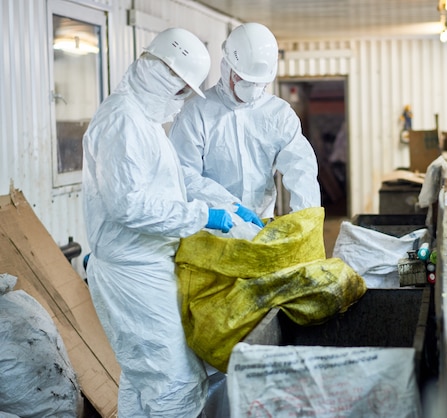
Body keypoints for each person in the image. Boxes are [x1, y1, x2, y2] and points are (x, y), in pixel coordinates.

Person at [82, 28, 233, 417]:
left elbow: (171, 180)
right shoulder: (122, 121)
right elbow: (129, 205)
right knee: (173, 381)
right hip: (132, 271)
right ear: (164, 75)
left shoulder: (142, 121)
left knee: (143, 376)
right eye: (181, 90)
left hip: (145, 264)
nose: (180, 102)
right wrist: (204, 216)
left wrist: (225, 203)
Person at [169, 22, 321, 222]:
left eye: (259, 83)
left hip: (261, 224)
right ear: (227, 68)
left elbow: (301, 167)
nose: (252, 89)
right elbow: (183, 174)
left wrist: (305, 218)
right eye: (244, 80)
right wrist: (229, 206)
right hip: (212, 225)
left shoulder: (279, 114)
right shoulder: (196, 113)